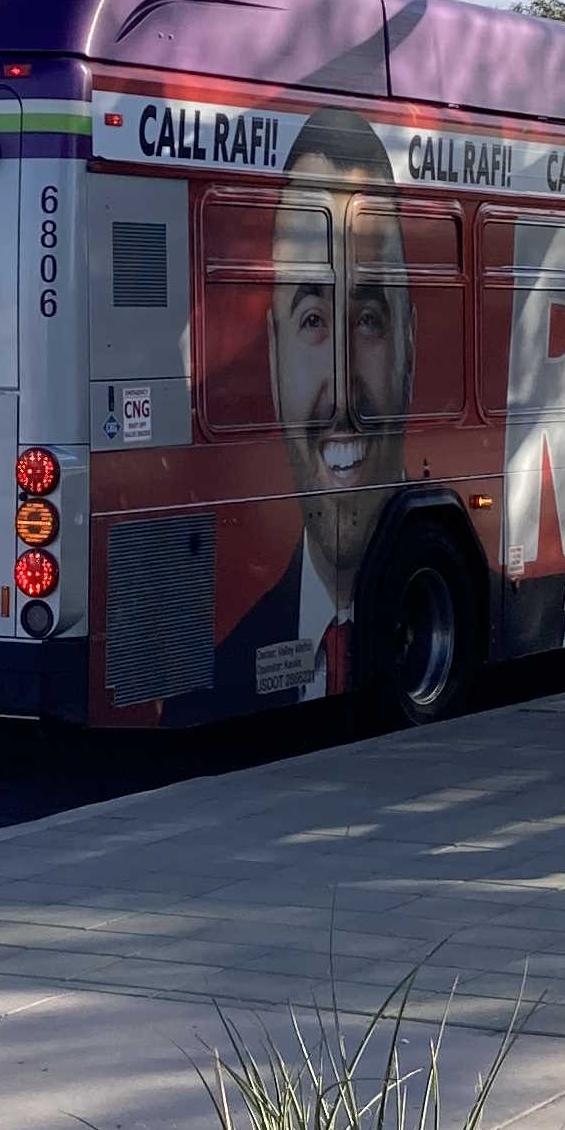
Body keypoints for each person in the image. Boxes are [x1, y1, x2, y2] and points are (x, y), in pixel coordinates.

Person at [215, 106, 415, 704]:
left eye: (370, 319)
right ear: (273, 354)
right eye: (312, 319)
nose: (343, 390)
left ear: (411, 341)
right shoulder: (214, 672)